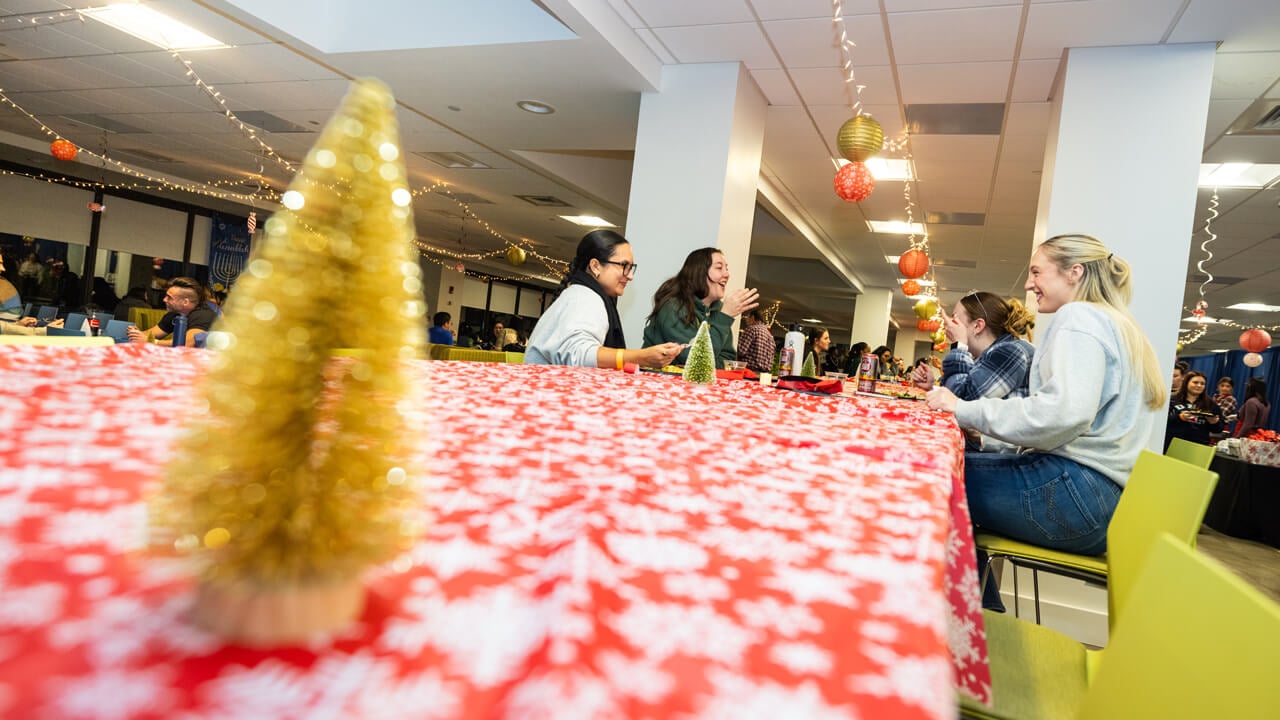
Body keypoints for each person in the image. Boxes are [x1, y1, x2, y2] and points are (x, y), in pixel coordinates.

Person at [925, 234, 1166, 608]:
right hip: (1105, 502)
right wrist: (990, 437)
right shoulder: (1119, 324)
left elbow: (1061, 414)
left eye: (1037, 272)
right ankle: (981, 618)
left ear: (1074, 272)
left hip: (1076, 497)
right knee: (951, 477)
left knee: (931, 479)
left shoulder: (1079, 317)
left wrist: (961, 408)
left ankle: (957, 623)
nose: (1028, 283)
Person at [524, 230, 682, 368]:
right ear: (595, 266)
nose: (630, 276)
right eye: (624, 266)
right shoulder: (586, 298)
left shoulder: (579, 294)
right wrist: (641, 357)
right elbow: (577, 355)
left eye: (631, 268)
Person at [642, 247, 758, 368]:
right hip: (657, 377)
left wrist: (709, 362)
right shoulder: (673, 307)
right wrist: (725, 317)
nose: (727, 274)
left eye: (726, 269)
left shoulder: (718, 309)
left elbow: (727, 358)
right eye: (719, 268)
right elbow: (695, 360)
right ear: (699, 272)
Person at [914, 291, 1035, 407]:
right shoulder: (985, 356)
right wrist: (932, 387)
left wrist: (959, 346)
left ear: (977, 326)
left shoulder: (1011, 352)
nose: (950, 325)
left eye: (955, 319)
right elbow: (956, 394)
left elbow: (963, 402)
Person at [126, 276, 217, 347]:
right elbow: (152, 334)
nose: (164, 300)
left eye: (169, 297)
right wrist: (136, 333)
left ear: (185, 302)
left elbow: (186, 344)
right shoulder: (176, 313)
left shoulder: (203, 315)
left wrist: (151, 341)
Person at [1165, 370, 1222, 449]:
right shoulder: (1172, 399)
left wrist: (1214, 423)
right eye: (1195, 382)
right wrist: (1179, 417)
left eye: (1202, 384)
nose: (1199, 385)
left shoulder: (1211, 404)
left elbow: (1218, 429)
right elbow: (1162, 421)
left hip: (1198, 446)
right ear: (1186, 383)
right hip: (1173, 443)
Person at [736, 307, 776, 373]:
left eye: (747, 318)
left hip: (749, 371)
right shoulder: (770, 335)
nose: (746, 320)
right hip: (764, 374)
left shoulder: (751, 329)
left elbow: (741, 351)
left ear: (752, 318)